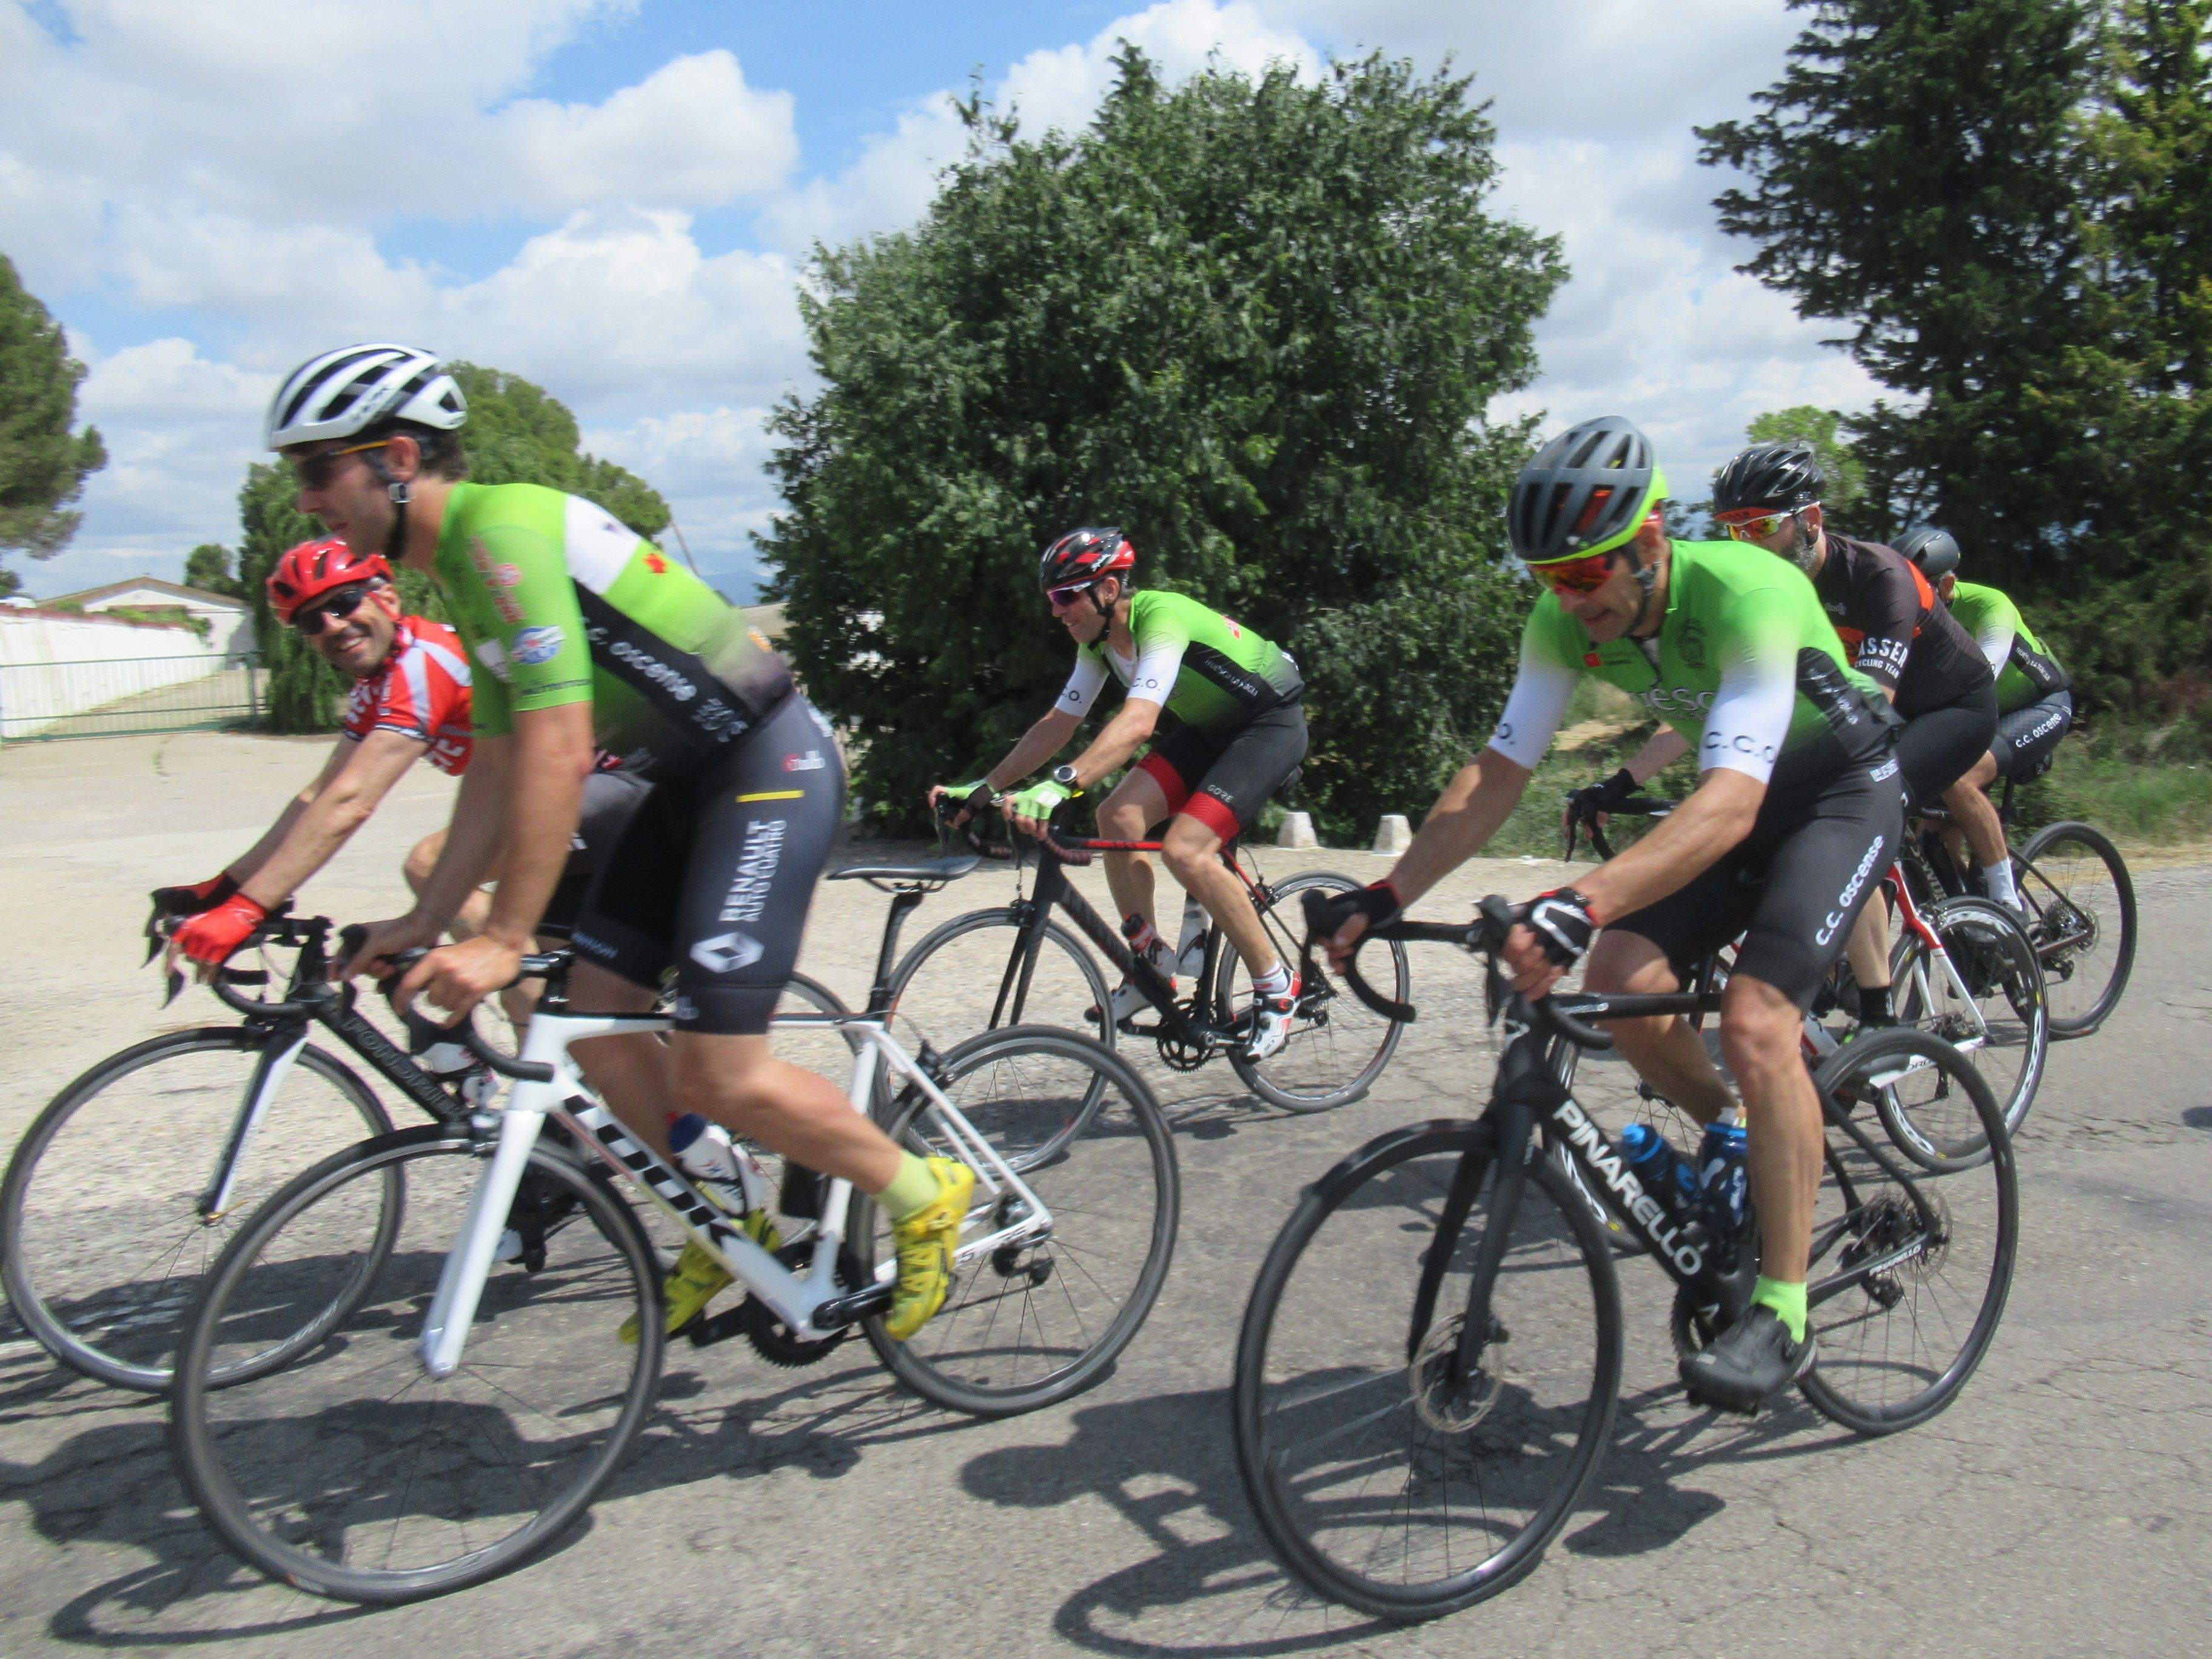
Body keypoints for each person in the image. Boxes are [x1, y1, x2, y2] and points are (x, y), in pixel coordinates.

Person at [270, 341, 970, 1344]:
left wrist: (506, 934)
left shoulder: (500, 529)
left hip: (765, 769)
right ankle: (731, 1217)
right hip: (681, 784)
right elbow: (500, 770)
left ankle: (920, 1187)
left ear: (395, 456)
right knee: (598, 1024)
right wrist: (427, 917)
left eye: (314, 472)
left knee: (718, 1072)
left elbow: (557, 749)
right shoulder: (461, 566)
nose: (305, 501)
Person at [1327, 415, 1904, 1411]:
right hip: (1744, 799)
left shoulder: (1749, 589)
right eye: (1547, 578)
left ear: (1646, 543)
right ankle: (1734, 1135)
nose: (1567, 599)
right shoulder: (1561, 621)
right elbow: (1498, 774)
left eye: (1584, 575)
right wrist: (1385, 893)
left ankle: (1784, 1308)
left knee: (1756, 1022)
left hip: (1837, 793)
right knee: (1617, 978)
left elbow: (1724, 799)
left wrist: (1571, 904)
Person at [1594, 441, 1997, 1024]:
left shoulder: (1878, 576)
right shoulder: (1756, 594)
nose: (1746, 545)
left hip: (1950, 708)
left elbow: (1869, 711)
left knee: (1856, 805)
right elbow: (1707, 704)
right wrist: (1624, 779)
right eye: (1732, 530)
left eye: (1760, 526)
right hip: (1867, 717)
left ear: (1810, 520)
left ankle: (1882, 1012)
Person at [931, 528, 1309, 1059]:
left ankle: (1277, 986)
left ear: (1108, 590)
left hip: (1268, 726)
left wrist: (1061, 785)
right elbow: (1058, 724)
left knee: (1185, 850)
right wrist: (986, 787)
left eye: (1066, 597)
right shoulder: (1098, 643)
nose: (1057, 612)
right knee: (1118, 817)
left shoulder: (1161, 617)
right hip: (1210, 730)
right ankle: (1152, 961)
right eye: (1051, 599)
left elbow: (1137, 724)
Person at [158, 538, 475, 971]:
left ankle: (532, 1022)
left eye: (344, 603)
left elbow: (353, 800)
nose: (332, 625)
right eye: (311, 621)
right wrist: (225, 889)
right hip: (532, 802)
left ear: (388, 597)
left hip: (580, 790)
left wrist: (246, 910)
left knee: (430, 866)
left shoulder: (424, 660)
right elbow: (320, 796)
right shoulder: (376, 684)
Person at [1898, 525, 2073, 907]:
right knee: (1934, 837)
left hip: (2037, 707)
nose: (1909, 602)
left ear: (1947, 586)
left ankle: (2007, 903)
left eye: (1921, 592)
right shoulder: (1905, 620)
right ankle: (1971, 917)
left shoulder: (1992, 605)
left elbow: (1981, 675)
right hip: (1974, 719)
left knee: (1957, 779)